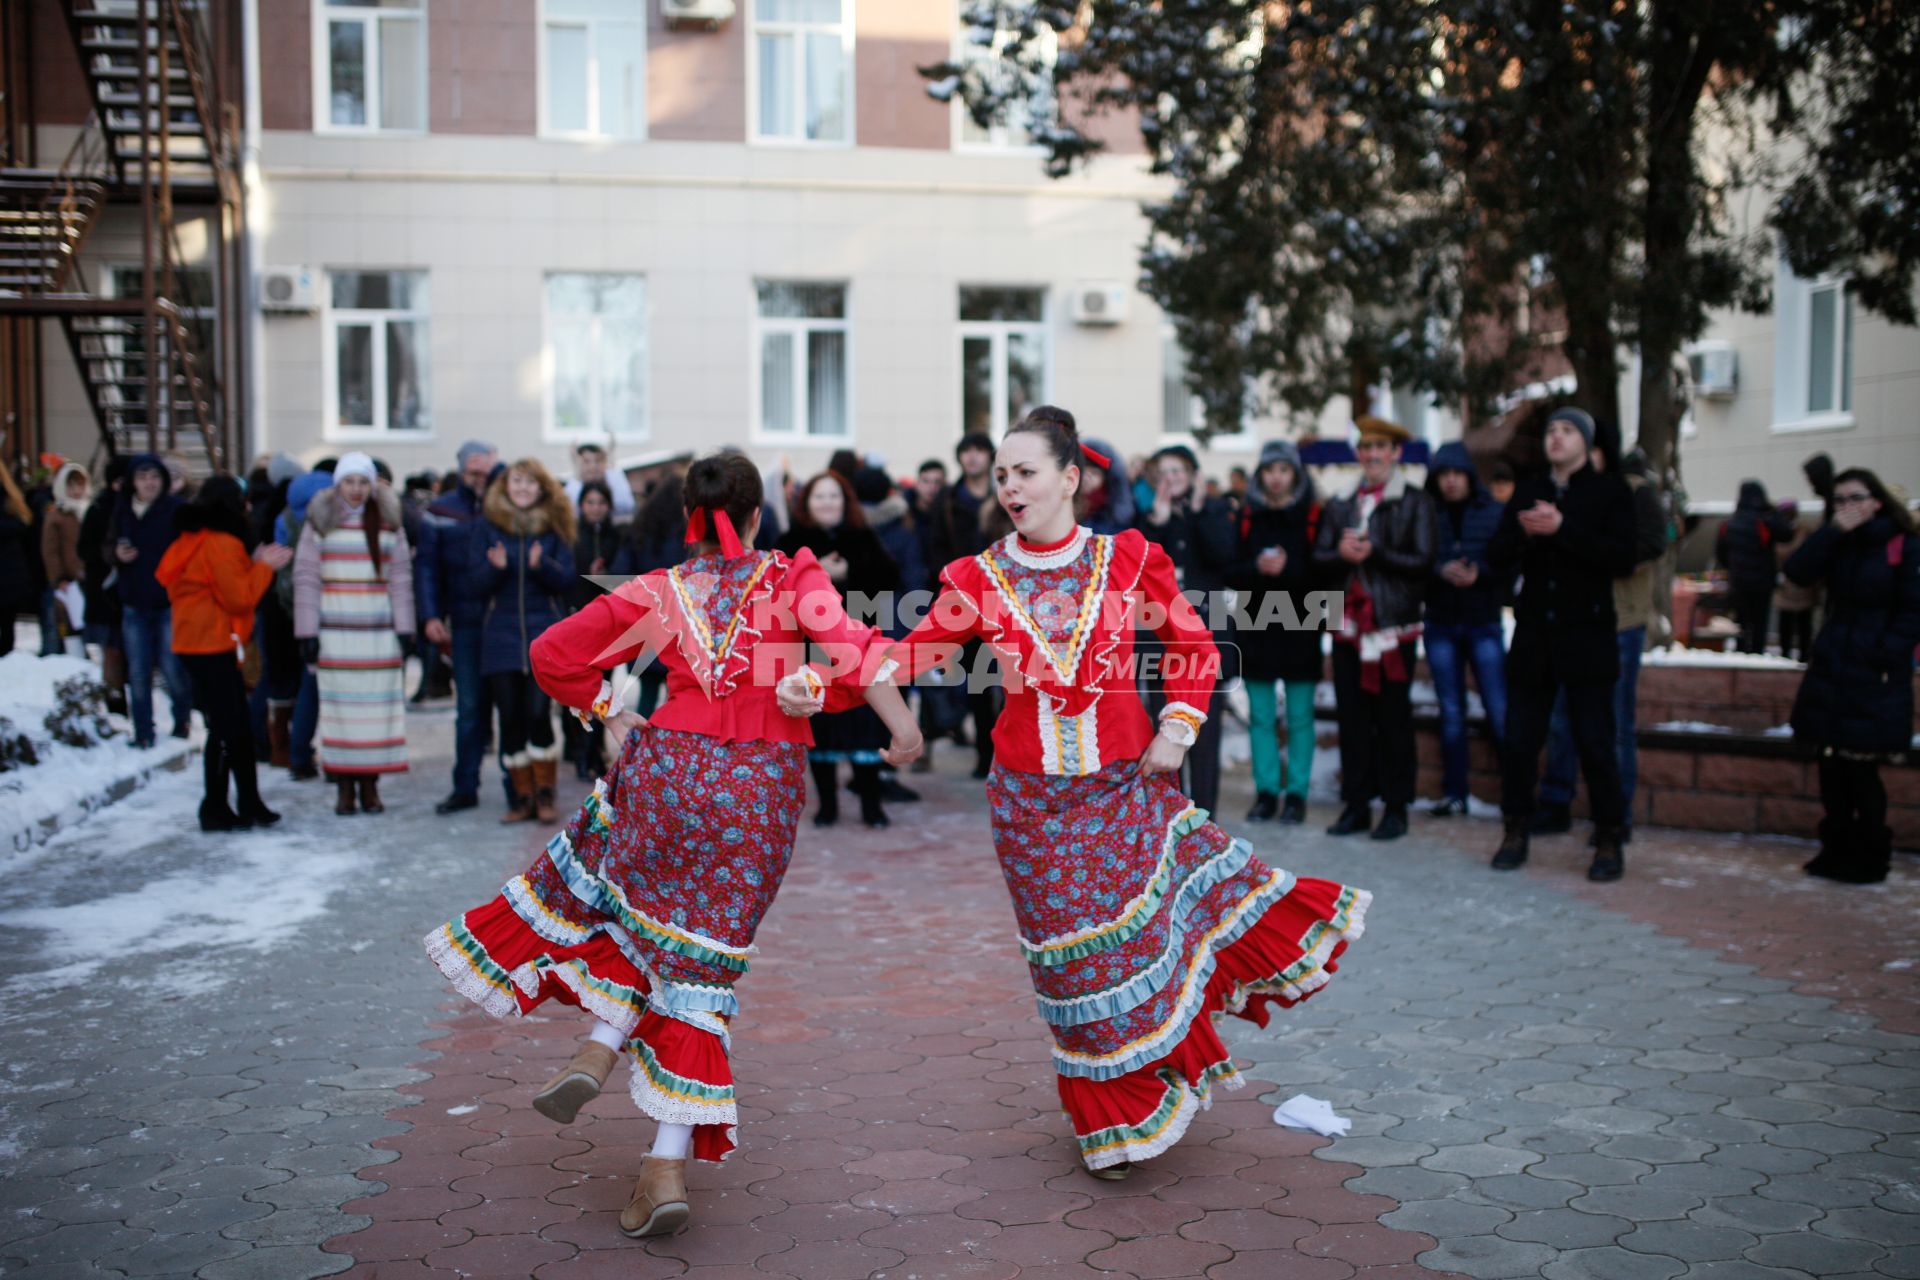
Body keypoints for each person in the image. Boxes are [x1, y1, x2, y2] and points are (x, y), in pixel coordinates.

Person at [425, 451, 919, 1237]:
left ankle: (598, 1045)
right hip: (755, 792)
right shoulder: (792, 579)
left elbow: (552, 654)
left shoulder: (660, 590)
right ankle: (662, 1164)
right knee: (702, 966)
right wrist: (902, 728)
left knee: (640, 922)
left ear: (688, 517)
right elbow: (855, 649)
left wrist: (605, 710)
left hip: (666, 772)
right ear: (759, 516)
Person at [876, 410, 1370, 1178]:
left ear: (1070, 479)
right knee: (1071, 965)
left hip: (1124, 790)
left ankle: (1147, 1090)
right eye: (1001, 474)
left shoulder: (1128, 560)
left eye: (1025, 471)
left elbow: (1193, 646)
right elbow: (907, 654)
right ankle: (1113, 1113)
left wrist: (1177, 728)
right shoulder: (978, 578)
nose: (1009, 486)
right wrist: (820, 675)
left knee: (1138, 943)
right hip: (1029, 806)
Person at [1486, 408, 1636, 881]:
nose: (1556, 437)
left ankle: (1610, 838)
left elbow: (1623, 558)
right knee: (1520, 742)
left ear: (1586, 442)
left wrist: (1563, 529)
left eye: (1568, 430)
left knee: (1596, 742)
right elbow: (1496, 553)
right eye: (1551, 430)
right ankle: (1515, 830)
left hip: (1588, 638)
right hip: (1534, 638)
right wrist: (1527, 535)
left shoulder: (1611, 491)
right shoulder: (1530, 488)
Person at [1784, 469, 1920, 885]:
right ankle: (1834, 850)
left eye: (1855, 497)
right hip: (1833, 665)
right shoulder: (1839, 541)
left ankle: (1871, 856)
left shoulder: (1904, 543)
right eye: (1839, 499)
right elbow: (1798, 572)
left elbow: (1914, 610)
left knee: (1861, 768)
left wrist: (1886, 655)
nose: (1847, 506)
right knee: (1831, 765)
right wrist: (1830, 533)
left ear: (1877, 500)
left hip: (1874, 671)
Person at [1534, 426, 1667, 837]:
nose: (1561, 443)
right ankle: (1556, 802)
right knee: (1560, 719)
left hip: (1618, 619)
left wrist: (1594, 548)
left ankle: (1614, 816)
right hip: (1570, 621)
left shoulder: (1632, 491)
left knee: (1611, 724)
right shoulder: (1557, 491)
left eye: (1573, 436)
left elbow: (1647, 545)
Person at [1312, 416, 1436, 841]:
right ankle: (1357, 804)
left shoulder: (1416, 501)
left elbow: (1424, 562)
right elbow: (1318, 558)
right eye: (1366, 447)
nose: (1373, 454)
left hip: (1391, 626)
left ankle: (1397, 806)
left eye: (1381, 446)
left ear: (1396, 453)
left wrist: (1376, 551)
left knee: (1393, 719)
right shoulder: (1340, 502)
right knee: (1352, 719)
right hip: (1346, 626)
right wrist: (1340, 554)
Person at [156, 476, 293, 831]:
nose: (248, 507)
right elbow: (239, 597)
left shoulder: (195, 538)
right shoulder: (221, 543)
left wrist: (254, 562)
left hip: (195, 643)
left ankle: (227, 804)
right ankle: (231, 805)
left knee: (226, 728)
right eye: (242, 501)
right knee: (233, 729)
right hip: (211, 644)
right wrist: (264, 567)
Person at [778, 470, 903, 827]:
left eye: (834, 496)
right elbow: (777, 589)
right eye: (820, 496)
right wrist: (818, 575)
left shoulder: (863, 536)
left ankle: (871, 804)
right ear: (807, 502)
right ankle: (827, 804)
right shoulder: (792, 541)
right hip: (810, 651)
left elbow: (889, 576)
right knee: (822, 726)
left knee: (866, 724)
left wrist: (850, 572)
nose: (828, 503)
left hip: (858, 646)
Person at [294, 452, 414, 816]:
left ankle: (370, 786)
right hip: (336, 632)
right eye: (350, 482)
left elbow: (401, 579)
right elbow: (306, 578)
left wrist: (405, 628)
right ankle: (344, 788)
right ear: (338, 484)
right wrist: (307, 632)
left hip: (377, 634)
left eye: (363, 482)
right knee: (339, 712)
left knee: (375, 714)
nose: (357, 489)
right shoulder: (319, 523)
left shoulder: (390, 523)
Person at [1137, 441, 1237, 816]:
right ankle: (1171, 814)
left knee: (1206, 732)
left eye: (1177, 471)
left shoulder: (1214, 510)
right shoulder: (1148, 518)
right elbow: (1141, 570)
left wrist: (1198, 513)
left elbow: (1224, 557)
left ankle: (1206, 815)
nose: (1170, 479)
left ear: (1194, 476)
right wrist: (1156, 523)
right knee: (1164, 725)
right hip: (1160, 640)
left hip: (1206, 635)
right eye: (1163, 473)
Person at [474, 459, 577, 823]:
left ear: (541, 489)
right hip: (500, 636)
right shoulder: (488, 527)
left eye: (529, 483)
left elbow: (567, 580)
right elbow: (475, 581)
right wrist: (494, 567)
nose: (522, 489)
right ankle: (520, 798)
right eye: (516, 481)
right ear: (505, 486)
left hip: (542, 636)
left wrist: (542, 566)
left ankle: (545, 794)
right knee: (511, 717)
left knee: (538, 714)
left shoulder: (553, 528)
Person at [1228, 439, 1324, 825]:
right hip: (1258, 626)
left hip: (1303, 626)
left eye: (1284, 470)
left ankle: (1297, 794)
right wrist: (1257, 568)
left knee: (1301, 716)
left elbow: (1328, 573)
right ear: (1260, 475)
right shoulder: (1246, 517)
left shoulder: (1314, 516)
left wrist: (1290, 569)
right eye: (1270, 470)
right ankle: (1266, 791)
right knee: (1262, 717)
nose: (1277, 478)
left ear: (1295, 474)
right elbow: (1229, 570)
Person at [1421, 441, 1507, 818]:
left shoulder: (1493, 512)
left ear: (1469, 477)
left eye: (1457, 474)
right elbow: (1416, 564)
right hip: (1440, 621)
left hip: (1483, 620)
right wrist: (1439, 571)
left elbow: (1509, 565)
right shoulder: (1427, 514)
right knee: (1450, 711)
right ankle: (1455, 793)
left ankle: (1515, 794)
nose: (1451, 482)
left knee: (1499, 708)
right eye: (1444, 475)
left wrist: (1480, 573)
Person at [416, 440, 499, 814]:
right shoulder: (441, 510)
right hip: (463, 622)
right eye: (473, 473)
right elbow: (427, 568)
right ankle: (465, 785)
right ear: (461, 470)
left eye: (486, 473)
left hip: (503, 622)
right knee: (468, 708)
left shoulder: (504, 508)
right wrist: (431, 615)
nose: (480, 480)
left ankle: (521, 788)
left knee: (510, 709)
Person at [927, 432, 1000, 777]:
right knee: (979, 684)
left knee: (1013, 681)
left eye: (978, 451)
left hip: (1002, 598)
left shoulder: (1003, 494)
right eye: (966, 452)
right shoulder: (949, 499)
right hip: (964, 600)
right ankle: (985, 753)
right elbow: (936, 548)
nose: (972, 458)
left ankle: (1007, 752)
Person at [113, 454, 193, 747]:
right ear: (133, 482)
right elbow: (105, 544)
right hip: (134, 602)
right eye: (143, 477)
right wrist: (116, 554)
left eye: (154, 477)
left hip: (168, 602)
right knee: (138, 670)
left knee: (173, 669)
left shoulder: (176, 510)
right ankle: (143, 731)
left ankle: (182, 718)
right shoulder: (123, 510)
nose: (149, 483)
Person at [563, 479, 623, 779]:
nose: (596, 508)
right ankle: (579, 753)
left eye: (601, 503)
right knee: (576, 692)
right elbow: (565, 578)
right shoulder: (572, 536)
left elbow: (624, 575)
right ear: (581, 505)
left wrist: (607, 576)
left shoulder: (617, 537)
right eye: (590, 502)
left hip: (606, 627)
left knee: (602, 691)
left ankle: (593, 751)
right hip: (577, 620)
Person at [276, 470, 333, 781]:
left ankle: (298, 753)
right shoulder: (325, 520)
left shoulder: (285, 517)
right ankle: (333, 756)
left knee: (308, 683)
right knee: (326, 687)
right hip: (330, 610)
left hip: (296, 610)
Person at [80, 458, 131, 714]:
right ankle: (115, 702)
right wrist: (111, 556)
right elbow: (84, 548)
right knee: (112, 651)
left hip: (131, 592)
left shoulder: (136, 508)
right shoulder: (100, 509)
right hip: (105, 590)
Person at [1717, 480, 1791, 654]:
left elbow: (1721, 553)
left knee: (1741, 621)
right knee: (1760, 622)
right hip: (1762, 581)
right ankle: (1756, 652)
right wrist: (1772, 510)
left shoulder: (1729, 524)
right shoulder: (1765, 521)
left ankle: (1740, 651)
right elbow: (1786, 534)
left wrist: (1733, 568)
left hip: (1738, 581)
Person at [40, 462, 91, 657]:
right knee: (70, 624)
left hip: (90, 576)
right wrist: (58, 577)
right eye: (71, 486)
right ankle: (75, 661)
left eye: (80, 485)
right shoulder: (56, 515)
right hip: (68, 580)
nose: (76, 490)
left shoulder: (88, 509)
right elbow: (50, 551)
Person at [1774, 500, 1818, 663]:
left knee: (1803, 622)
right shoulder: (1777, 531)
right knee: (1786, 621)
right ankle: (1785, 653)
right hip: (1785, 584)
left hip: (1802, 583)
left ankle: (1803, 654)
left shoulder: (1805, 531)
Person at [0, 464, 36, 657]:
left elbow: (24, 523)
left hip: (9, 575)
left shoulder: (10, 500)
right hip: (11, 574)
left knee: (7, 628)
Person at [1076, 436, 1137, 536]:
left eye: (1094, 473)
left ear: (1106, 479)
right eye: (1084, 470)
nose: (1087, 477)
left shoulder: (1113, 515)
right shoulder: (1066, 507)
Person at [564, 441, 637, 521]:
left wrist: (612, 470)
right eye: (586, 461)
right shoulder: (573, 487)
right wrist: (577, 476)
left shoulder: (614, 482)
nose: (593, 467)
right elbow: (569, 511)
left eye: (598, 461)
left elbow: (626, 506)